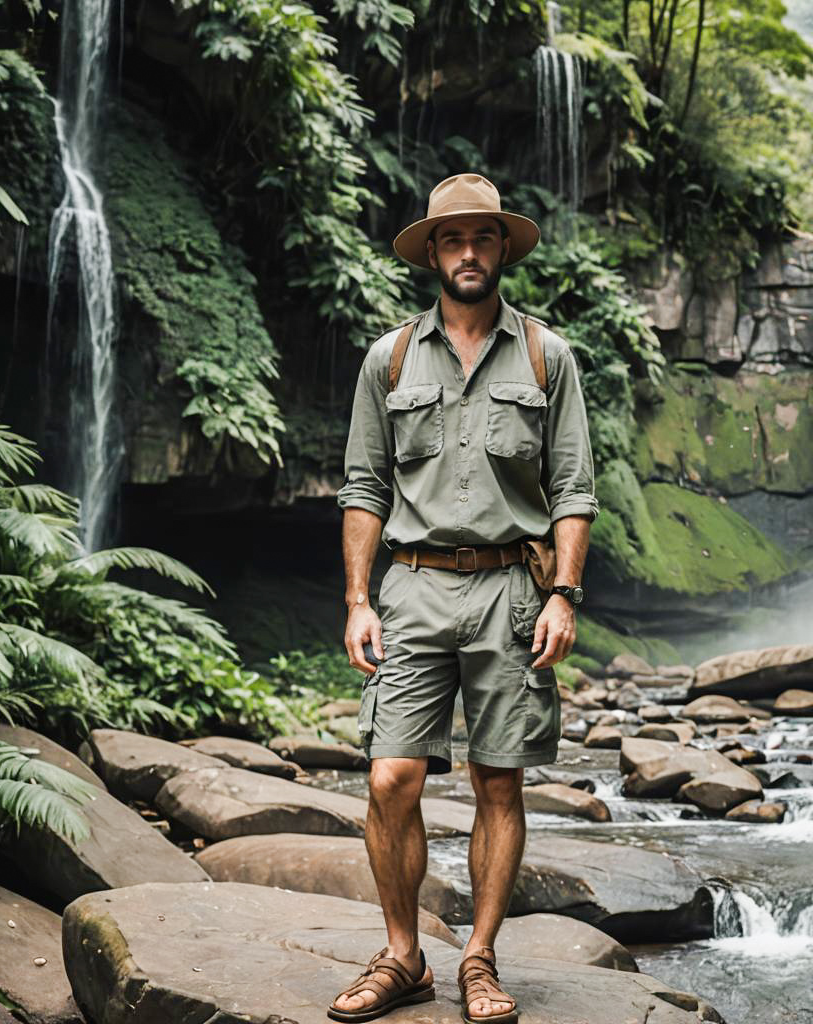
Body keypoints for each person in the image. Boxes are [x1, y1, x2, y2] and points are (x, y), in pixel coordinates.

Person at [328, 173, 598, 1024]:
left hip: (513, 594)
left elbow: (572, 490)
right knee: (391, 777)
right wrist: (357, 600)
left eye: (483, 238)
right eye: (453, 240)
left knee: (498, 782)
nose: (469, 253)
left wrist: (564, 594)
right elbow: (363, 487)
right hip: (410, 589)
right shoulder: (391, 358)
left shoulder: (550, 357)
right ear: (433, 254)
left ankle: (478, 959)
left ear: (503, 249)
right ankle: (404, 955)